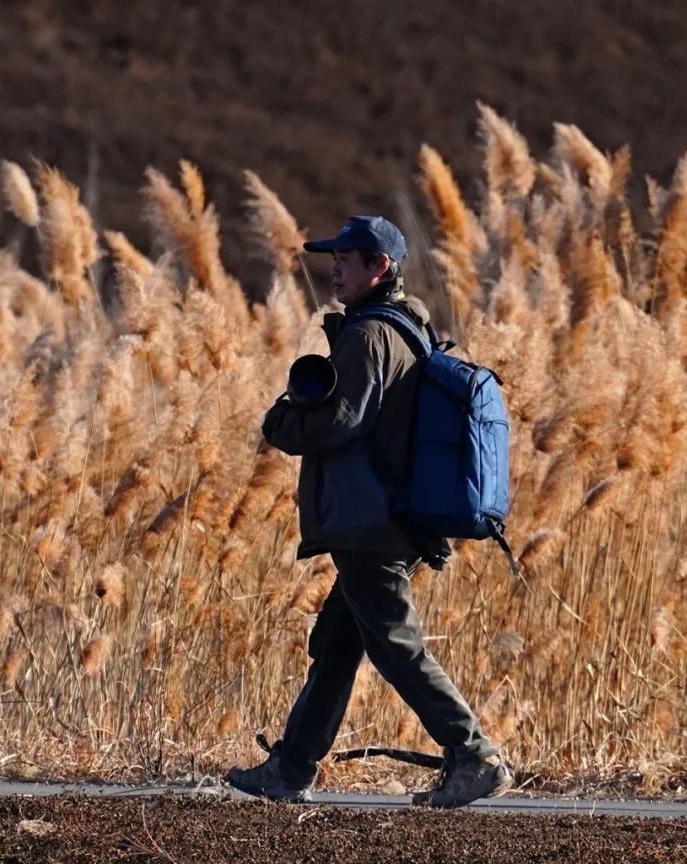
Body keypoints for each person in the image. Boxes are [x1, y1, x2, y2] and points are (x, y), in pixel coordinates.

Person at [227, 215, 513, 807]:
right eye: (333, 257)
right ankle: (291, 770)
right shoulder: (411, 327)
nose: (334, 267)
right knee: (339, 645)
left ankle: (473, 752)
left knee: (393, 643)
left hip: (372, 518)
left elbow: (342, 418)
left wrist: (283, 421)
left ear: (379, 267)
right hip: (395, 515)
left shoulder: (367, 335)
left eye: (348, 258)